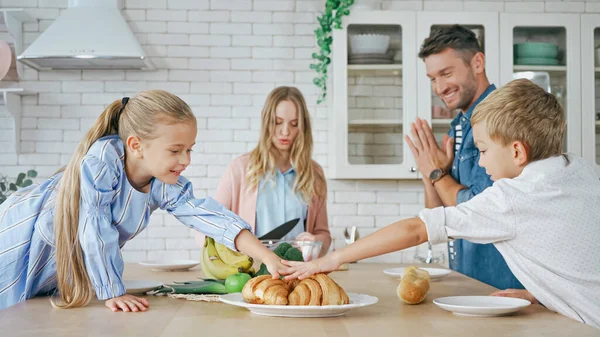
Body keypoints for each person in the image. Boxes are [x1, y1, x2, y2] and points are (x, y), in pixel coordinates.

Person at [281, 79, 600, 328]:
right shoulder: (581, 169)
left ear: (517, 152)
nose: (482, 162)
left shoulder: (512, 198)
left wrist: (331, 259)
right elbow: (579, 262)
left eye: (484, 151)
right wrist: (542, 294)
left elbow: (416, 230)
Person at [0, 90, 286, 312]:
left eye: (189, 150)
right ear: (136, 145)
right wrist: (113, 291)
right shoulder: (102, 161)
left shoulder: (163, 181)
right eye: (176, 150)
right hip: (18, 237)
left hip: (53, 259)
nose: (185, 160)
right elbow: (95, 225)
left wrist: (267, 257)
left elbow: (209, 216)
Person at [407, 24, 523, 290]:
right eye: (433, 78)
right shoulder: (458, 126)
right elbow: (440, 215)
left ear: (478, 63)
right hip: (470, 284)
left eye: (446, 73)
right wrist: (429, 172)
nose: (439, 87)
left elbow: (480, 211)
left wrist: (439, 174)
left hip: (500, 287)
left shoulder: (500, 119)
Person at [195, 86, 331, 256]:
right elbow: (207, 228)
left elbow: (324, 235)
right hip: (252, 272)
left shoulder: (314, 173)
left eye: (294, 124)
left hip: (297, 271)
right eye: (277, 122)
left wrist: (314, 242)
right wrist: (235, 247)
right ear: (266, 121)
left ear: (303, 127)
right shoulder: (239, 169)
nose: (285, 131)